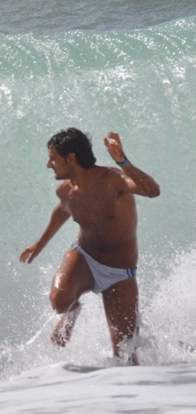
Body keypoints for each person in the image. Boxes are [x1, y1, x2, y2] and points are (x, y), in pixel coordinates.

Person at [20, 129, 159, 363]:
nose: (48, 164)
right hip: (85, 257)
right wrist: (40, 244)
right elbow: (63, 210)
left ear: (71, 158)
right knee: (59, 300)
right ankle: (72, 310)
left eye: (53, 158)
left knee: (126, 356)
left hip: (120, 272)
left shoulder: (113, 180)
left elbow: (152, 191)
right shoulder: (65, 190)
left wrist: (123, 162)